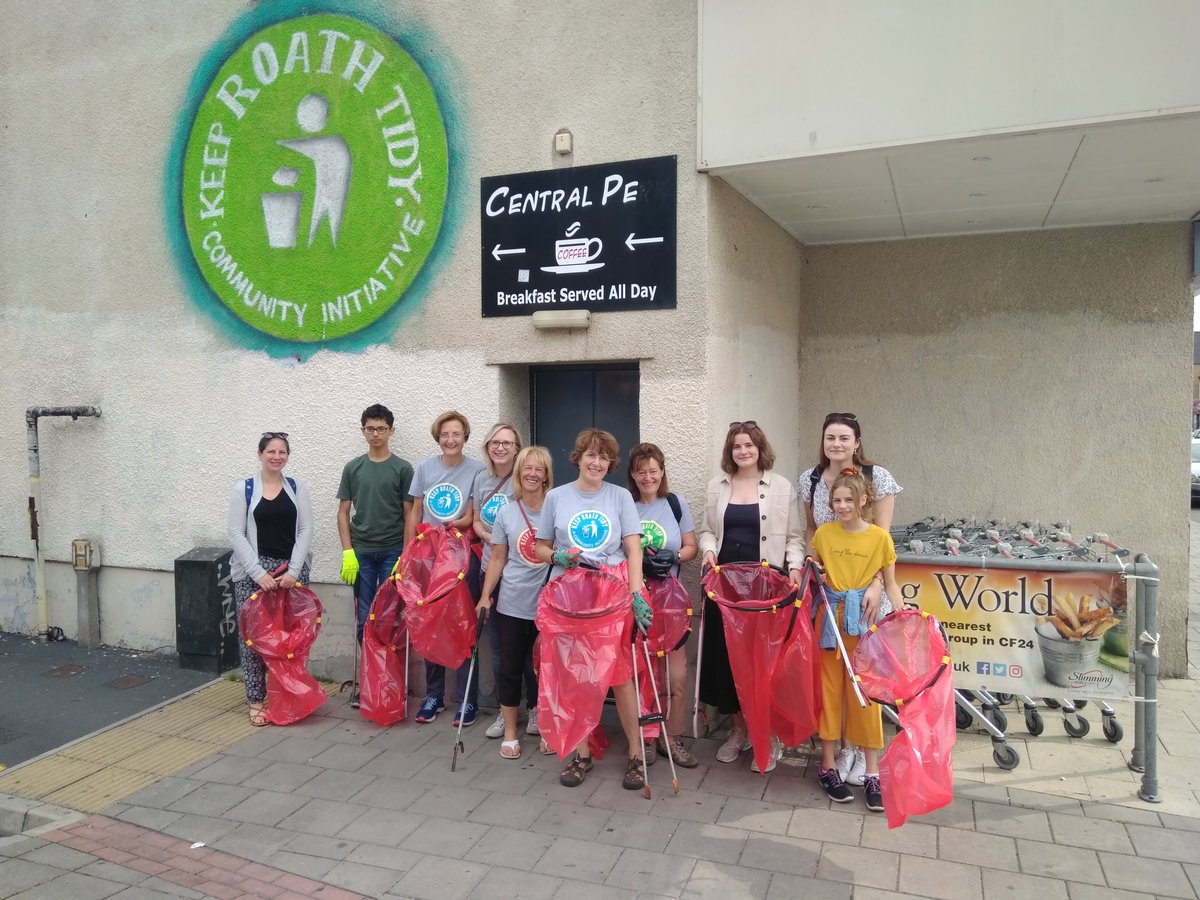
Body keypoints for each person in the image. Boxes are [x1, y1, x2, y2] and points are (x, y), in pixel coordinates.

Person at [535, 428, 652, 790]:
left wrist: (636, 595)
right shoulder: (556, 497)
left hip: (612, 595)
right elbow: (540, 548)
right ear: (578, 458)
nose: (597, 462)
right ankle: (580, 752)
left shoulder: (620, 498)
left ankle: (636, 754)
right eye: (590, 455)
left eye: (603, 457)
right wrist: (556, 556)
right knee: (575, 674)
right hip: (571, 595)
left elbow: (634, 549)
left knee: (620, 675)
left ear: (610, 464)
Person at [798, 411, 901, 785]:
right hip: (832, 599)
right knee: (833, 681)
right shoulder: (810, 480)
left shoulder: (878, 478)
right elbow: (813, 533)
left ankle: (862, 754)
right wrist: (811, 565)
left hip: (867, 596)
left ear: (857, 442)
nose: (836, 444)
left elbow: (882, 543)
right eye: (830, 438)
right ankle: (842, 753)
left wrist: (877, 585)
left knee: (864, 681)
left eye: (844, 438)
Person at [697, 421, 804, 773]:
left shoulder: (782, 486)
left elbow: (794, 537)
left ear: (760, 448)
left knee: (764, 663)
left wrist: (793, 568)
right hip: (725, 587)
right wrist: (709, 552)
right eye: (737, 446)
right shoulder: (717, 486)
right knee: (730, 661)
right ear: (730, 451)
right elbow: (708, 531)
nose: (743, 451)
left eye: (749, 445)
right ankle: (739, 731)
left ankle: (768, 734)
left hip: (765, 587)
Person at [406, 410, 486, 726]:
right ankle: (434, 696)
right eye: (444, 435)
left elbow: (472, 515)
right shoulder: (425, 467)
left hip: (462, 557)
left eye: (456, 434)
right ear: (438, 438)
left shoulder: (478, 470)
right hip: (428, 556)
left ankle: (468, 699)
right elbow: (416, 511)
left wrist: (451, 526)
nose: (450, 440)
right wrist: (408, 553)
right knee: (431, 623)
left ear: (465, 437)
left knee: (464, 624)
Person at [228, 432, 313, 726]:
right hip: (254, 574)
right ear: (260, 454)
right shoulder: (245, 489)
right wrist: (258, 573)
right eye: (271, 451)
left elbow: (305, 530)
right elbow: (237, 534)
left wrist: (293, 570)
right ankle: (256, 700)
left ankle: (287, 696)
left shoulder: (296, 488)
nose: (277, 456)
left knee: (291, 639)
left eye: (282, 452)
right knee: (254, 640)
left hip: (290, 573)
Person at [476, 446, 553, 759]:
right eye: (527, 468)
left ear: (547, 474)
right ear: (519, 473)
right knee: (509, 667)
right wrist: (484, 597)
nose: (532, 474)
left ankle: (547, 726)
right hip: (512, 603)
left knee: (547, 670)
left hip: (549, 605)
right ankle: (510, 732)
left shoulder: (556, 507)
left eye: (539, 469)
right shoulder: (507, 511)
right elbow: (497, 557)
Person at [336, 404, 414, 708]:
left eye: (381, 428)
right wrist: (347, 552)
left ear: (391, 431)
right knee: (364, 620)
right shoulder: (353, 468)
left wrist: (405, 556)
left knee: (391, 619)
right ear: (363, 431)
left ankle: (392, 680)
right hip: (362, 554)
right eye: (370, 428)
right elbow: (343, 512)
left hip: (393, 552)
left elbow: (410, 514)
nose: (376, 433)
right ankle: (369, 680)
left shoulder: (403, 469)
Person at [627, 442, 699, 769]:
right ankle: (648, 735)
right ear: (633, 474)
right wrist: (638, 566)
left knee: (676, 676)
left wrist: (675, 556)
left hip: (671, 604)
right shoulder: (625, 505)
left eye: (653, 470)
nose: (648, 477)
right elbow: (618, 551)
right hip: (639, 600)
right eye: (641, 471)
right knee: (644, 673)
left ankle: (673, 736)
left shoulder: (675, 504)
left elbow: (691, 547)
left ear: (662, 471)